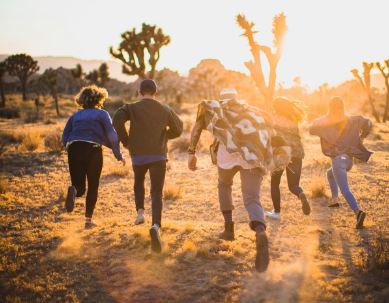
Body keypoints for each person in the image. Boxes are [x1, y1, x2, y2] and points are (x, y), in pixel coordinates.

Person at [187, 88, 290, 272]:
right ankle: (260, 230)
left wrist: (191, 152)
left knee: (224, 185)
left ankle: (229, 229)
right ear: (237, 98)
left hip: (226, 156)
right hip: (251, 156)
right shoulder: (252, 111)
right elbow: (269, 130)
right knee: (251, 197)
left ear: (222, 99)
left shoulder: (216, 109)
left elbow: (196, 128)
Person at [113, 79, 183, 253]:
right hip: (158, 155)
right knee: (157, 191)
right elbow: (179, 128)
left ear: (140, 92)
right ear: (155, 92)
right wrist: (165, 135)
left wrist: (127, 141)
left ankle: (140, 213)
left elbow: (116, 120)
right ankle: (156, 226)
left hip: (138, 154)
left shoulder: (131, 108)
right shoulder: (165, 109)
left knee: (138, 181)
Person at [62, 85, 125, 229]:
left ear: (82, 100)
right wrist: (118, 154)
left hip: (74, 147)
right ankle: (88, 221)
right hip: (93, 149)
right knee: (93, 185)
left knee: (79, 187)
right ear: (99, 99)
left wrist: (69, 146)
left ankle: (74, 191)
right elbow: (111, 134)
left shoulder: (75, 116)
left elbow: (65, 135)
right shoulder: (102, 114)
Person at [309, 96, 372, 229]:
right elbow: (369, 123)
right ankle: (335, 200)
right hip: (348, 161)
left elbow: (312, 128)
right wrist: (361, 137)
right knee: (329, 174)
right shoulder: (351, 119)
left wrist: (323, 127)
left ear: (330, 107)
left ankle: (358, 212)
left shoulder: (326, 121)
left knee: (345, 189)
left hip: (338, 161)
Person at [266, 97, 311, 220]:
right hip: (296, 153)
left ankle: (276, 212)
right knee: (293, 185)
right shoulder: (293, 118)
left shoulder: (274, 119)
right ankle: (300, 193)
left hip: (281, 153)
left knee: (275, 183)